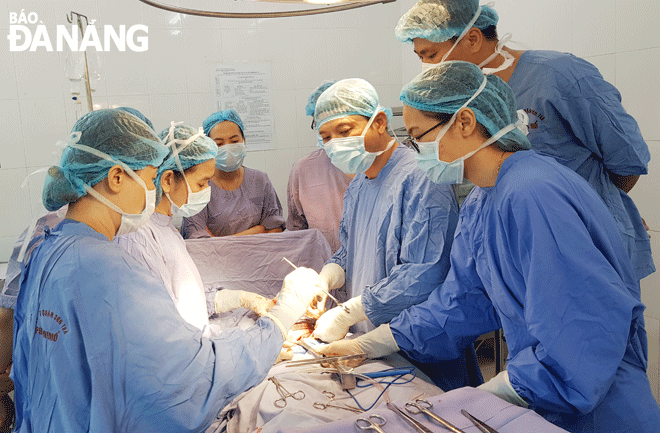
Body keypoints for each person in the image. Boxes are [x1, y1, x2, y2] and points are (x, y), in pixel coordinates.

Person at [318, 62, 660, 433]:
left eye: (419, 137)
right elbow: (465, 299)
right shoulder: (484, 198)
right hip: (550, 400)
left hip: (600, 407)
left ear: (464, 122)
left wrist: (491, 394)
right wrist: (373, 343)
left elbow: (582, 332)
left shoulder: (534, 193)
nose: (417, 151)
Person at [12, 108, 322, 432]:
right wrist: (279, 320)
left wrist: (232, 301)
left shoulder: (48, 250)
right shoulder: (109, 269)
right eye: (148, 180)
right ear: (117, 177)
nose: (153, 191)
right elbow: (189, 380)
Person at [395, 0, 654, 282]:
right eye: (420, 57)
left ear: (472, 38)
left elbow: (627, 159)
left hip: (588, 246)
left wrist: (597, 211)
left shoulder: (557, 75)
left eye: (431, 54)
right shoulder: (470, 98)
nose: (427, 68)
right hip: (527, 250)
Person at [307, 78, 481, 390]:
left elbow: (425, 273)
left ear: (380, 122)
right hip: (371, 346)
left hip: (420, 349)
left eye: (344, 131)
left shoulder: (422, 177)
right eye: (326, 137)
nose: (334, 143)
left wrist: (348, 312)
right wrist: (328, 277)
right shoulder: (359, 185)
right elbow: (350, 250)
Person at [116, 123, 273, 334]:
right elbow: (166, 328)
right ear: (168, 180)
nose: (207, 191)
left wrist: (235, 299)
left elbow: (182, 298)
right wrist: (240, 342)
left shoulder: (166, 229)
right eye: (202, 183)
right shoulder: (139, 237)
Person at [181, 109, 285, 238]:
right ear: (208, 147)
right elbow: (200, 240)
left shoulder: (260, 180)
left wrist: (226, 240)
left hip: (260, 257)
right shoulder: (198, 186)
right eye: (219, 143)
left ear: (244, 141)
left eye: (234, 141)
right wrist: (256, 231)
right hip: (214, 258)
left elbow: (274, 228)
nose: (228, 148)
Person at [287, 81, 353, 253]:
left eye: (343, 130)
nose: (334, 139)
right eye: (322, 128)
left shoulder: (373, 164)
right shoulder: (303, 170)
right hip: (322, 265)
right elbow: (297, 232)